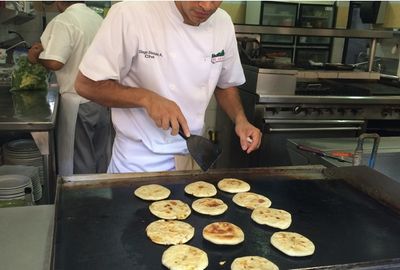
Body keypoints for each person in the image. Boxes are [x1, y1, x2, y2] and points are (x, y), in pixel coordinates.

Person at [75, 1, 262, 173]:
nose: (206, 6)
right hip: (137, 163)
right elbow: (86, 85)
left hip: (191, 159)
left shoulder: (223, 22)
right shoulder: (130, 14)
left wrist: (240, 120)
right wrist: (146, 98)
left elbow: (225, 83)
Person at [28, 1, 112, 175]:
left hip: (78, 100)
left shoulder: (64, 20)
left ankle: (81, 200)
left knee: (79, 159)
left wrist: (36, 57)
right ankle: (100, 196)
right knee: (99, 155)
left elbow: (55, 62)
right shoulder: (96, 18)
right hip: (101, 99)